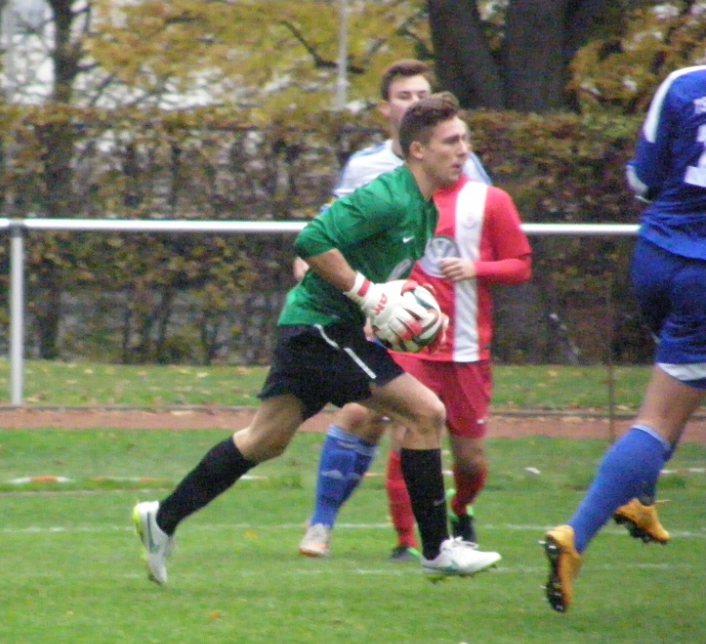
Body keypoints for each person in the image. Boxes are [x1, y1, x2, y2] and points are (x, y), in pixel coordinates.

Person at [133, 95, 502, 586]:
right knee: (426, 412)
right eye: (451, 141)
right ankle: (437, 550)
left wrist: (404, 305)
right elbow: (311, 240)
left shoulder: (424, 210)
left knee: (264, 441)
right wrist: (366, 294)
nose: (463, 150)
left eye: (464, 140)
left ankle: (162, 519)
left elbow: (383, 278)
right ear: (418, 149)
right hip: (320, 329)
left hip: (323, 328)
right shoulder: (387, 197)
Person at [296, 59, 505, 563]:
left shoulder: (461, 161)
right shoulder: (365, 168)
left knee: (434, 428)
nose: (416, 103)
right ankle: (328, 523)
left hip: (424, 316)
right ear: (387, 109)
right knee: (367, 416)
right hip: (372, 308)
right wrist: (355, 291)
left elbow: (480, 221)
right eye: (406, 96)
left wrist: (433, 297)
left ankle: (437, 535)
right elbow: (324, 234)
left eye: (422, 94)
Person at [542, 65, 706, 613]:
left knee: (672, 396)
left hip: (656, 256)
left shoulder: (683, 83)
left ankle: (641, 499)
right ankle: (576, 533)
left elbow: (642, 180)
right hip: (703, 273)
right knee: (661, 417)